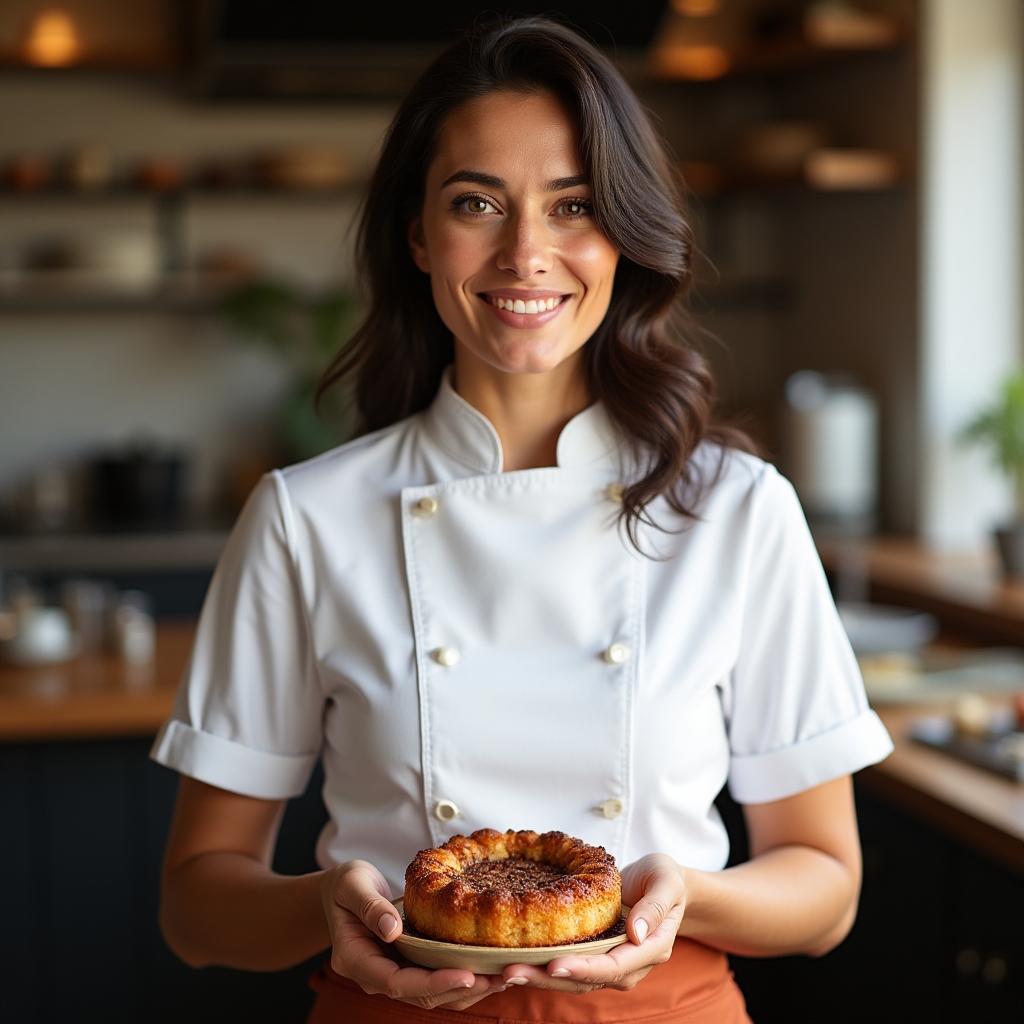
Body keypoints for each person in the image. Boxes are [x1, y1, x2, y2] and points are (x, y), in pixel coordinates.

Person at [153, 16, 893, 1024]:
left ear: (626, 233)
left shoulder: (735, 508)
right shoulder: (305, 518)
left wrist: (688, 898)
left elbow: (826, 891)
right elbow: (197, 903)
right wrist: (324, 908)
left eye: (574, 205)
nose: (525, 253)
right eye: (475, 203)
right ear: (418, 234)